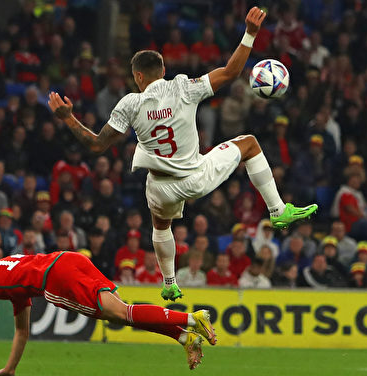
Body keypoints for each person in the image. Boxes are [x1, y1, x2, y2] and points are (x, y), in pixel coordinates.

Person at [48, 7, 317, 301]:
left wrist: (68, 118)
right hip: (197, 177)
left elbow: (96, 145)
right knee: (250, 144)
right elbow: (230, 72)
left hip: (161, 187)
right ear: (163, 71)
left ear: (138, 76)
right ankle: (277, 211)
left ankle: (169, 282)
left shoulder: (130, 104)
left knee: (161, 225)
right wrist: (250, 34)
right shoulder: (183, 87)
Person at [0, 246, 217, 376]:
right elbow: (22, 331)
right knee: (121, 312)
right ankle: (184, 337)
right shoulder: (11, 268)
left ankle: (193, 319)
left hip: (55, 277)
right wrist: (10, 368)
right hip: (69, 258)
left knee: (120, 313)